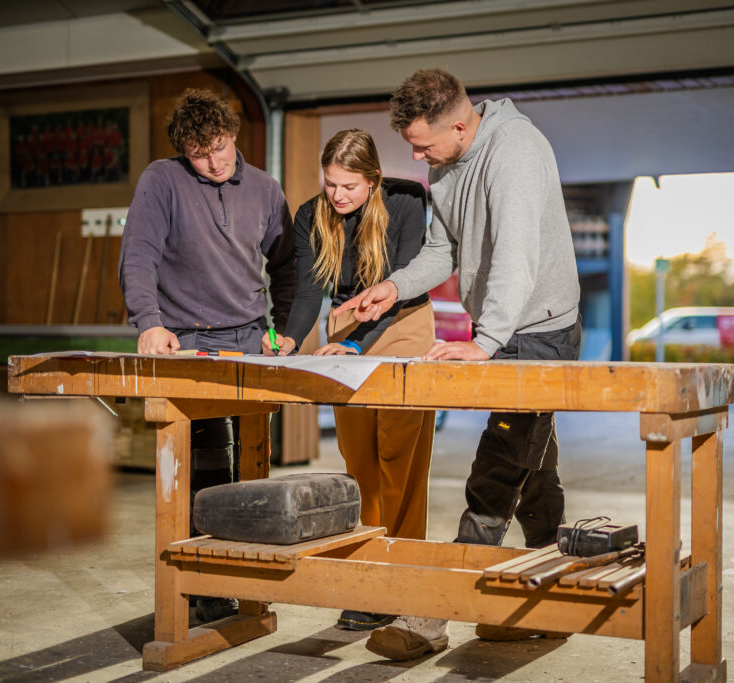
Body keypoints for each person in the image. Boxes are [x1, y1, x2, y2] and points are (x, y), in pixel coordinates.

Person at [337, 68, 582, 660]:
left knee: (496, 470)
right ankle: (551, 601)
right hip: (504, 327)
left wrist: (486, 339)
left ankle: (432, 616)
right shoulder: (446, 160)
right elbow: (442, 248)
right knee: (532, 468)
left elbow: (517, 256)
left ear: (459, 126)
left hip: (540, 332)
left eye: (422, 145)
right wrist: (395, 287)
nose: (416, 157)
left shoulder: (515, 153)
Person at [118, 87, 296, 623]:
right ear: (183, 152)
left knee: (255, 464)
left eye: (219, 147)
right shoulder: (162, 181)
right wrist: (149, 322)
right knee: (208, 463)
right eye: (199, 155)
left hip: (250, 338)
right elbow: (139, 255)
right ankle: (207, 586)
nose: (214, 163)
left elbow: (287, 266)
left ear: (233, 135)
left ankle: (250, 576)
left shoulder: (265, 189)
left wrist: (285, 329)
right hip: (188, 340)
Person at [263, 129, 437, 632]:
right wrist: (290, 341)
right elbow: (308, 293)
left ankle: (402, 575)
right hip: (345, 329)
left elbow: (402, 285)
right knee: (358, 458)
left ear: (373, 179)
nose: (337, 195)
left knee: (398, 456)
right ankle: (370, 570)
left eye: (350, 186)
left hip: (403, 322)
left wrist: (360, 345)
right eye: (331, 183)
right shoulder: (310, 215)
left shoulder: (407, 200)